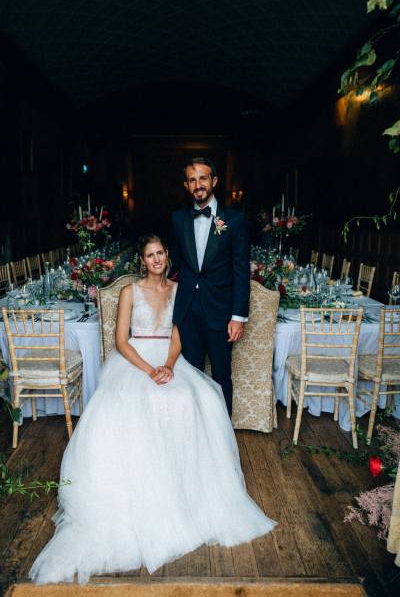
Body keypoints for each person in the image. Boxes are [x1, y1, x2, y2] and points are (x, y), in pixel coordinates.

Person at [29, 234, 276, 585]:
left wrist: (171, 364)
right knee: (141, 401)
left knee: (198, 398)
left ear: (167, 258)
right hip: (134, 360)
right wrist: (148, 369)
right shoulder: (129, 291)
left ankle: (187, 488)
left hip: (169, 359)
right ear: (142, 261)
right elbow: (119, 340)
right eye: (150, 255)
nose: (156, 259)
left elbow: (179, 335)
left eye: (161, 253)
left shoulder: (179, 291)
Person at [169, 158, 250, 417]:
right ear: (186, 185)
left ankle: (222, 430)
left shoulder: (234, 220)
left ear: (214, 181)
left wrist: (238, 316)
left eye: (203, 178)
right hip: (187, 311)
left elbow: (240, 271)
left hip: (220, 311)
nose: (198, 184)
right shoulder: (178, 219)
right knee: (190, 375)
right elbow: (175, 264)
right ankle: (195, 427)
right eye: (192, 180)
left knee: (221, 375)